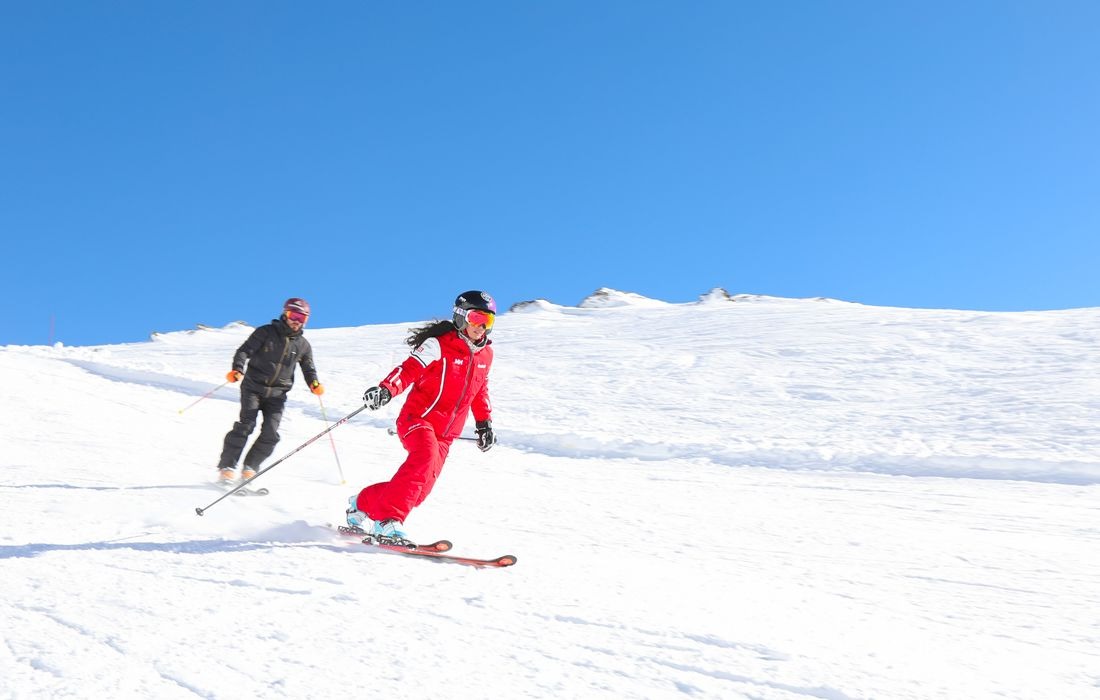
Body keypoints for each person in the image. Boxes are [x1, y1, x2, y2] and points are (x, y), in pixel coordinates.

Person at [346, 290, 498, 544]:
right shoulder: (438, 344)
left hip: (447, 433)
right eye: (476, 317)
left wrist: (484, 424)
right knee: (423, 459)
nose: (481, 326)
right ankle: (387, 522)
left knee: (418, 490)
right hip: (417, 420)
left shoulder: (485, 355)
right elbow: (408, 370)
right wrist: (385, 390)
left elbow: (480, 390)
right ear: (461, 316)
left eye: (488, 321)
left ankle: (360, 503)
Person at [216, 297, 324, 483]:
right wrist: (238, 369)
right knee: (246, 426)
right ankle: (227, 467)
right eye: (293, 315)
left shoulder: (303, 345)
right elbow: (244, 351)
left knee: (271, 433)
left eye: (302, 318)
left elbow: (308, 368)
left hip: (277, 394)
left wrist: (314, 383)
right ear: (285, 313)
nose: (296, 321)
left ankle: (250, 468)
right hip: (253, 387)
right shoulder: (265, 332)